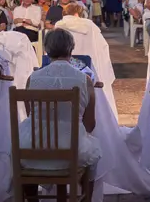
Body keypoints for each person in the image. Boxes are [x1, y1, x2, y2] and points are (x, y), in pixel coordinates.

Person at [19, 29, 100, 179]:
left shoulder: (33, 78)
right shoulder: (84, 80)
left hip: (33, 151)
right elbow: (90, 125)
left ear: (46, 49)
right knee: (95, 151)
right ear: (71, 49)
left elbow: (31, 117)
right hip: (71, 153)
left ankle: (31, 198)